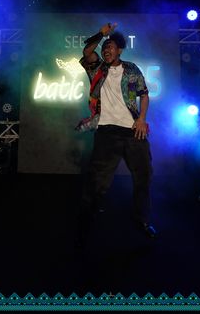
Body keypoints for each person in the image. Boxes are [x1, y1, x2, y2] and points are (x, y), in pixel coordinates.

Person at [75, 22, 158, 247]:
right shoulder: (97, 69)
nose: (106, 50)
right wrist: (101, 34)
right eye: (104, 48)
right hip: (107, 132)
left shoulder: (131, 69)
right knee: (96, 182)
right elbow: (87, 51)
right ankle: (86, 223)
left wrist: (141, 119)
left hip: (133, 131)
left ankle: (142, 220)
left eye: (110, 46)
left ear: (120, 50)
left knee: (143, 177)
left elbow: (144, 94)